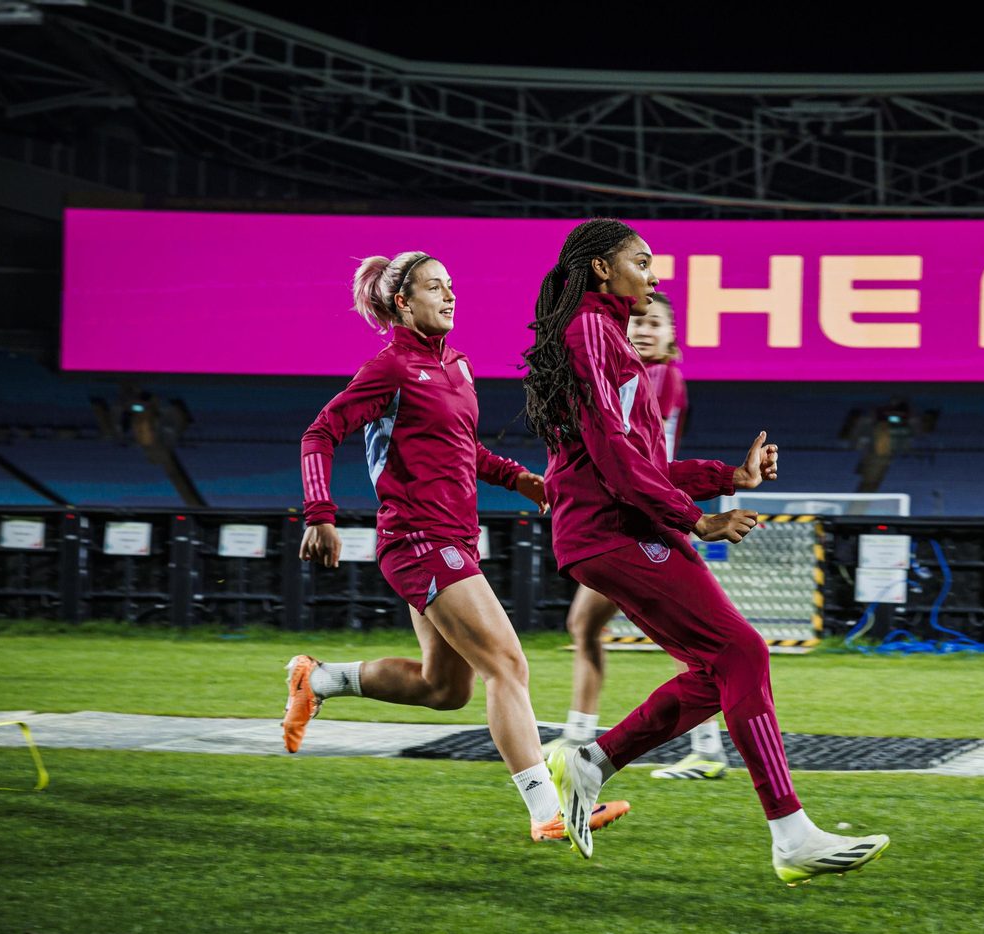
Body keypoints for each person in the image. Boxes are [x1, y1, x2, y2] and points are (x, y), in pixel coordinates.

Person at [523, 218, 889, 882]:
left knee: (721, 668)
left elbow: (641, 463)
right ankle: (791, 835)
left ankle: (590, 763)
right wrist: (698, 521)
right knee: (742, 651)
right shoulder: (591, 333)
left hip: (622, 525)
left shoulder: (606, 336)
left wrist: (731, 479)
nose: (654, 273)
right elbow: (611, 457)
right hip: (615, 529)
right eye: (642, 260)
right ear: (602, 268)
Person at [285, 250, 627, 844]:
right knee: (508, 664)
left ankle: (318, 680)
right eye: (434, 288)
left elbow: (462, 448)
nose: (449, 297)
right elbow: (320, 433)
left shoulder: (459, 366)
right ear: (402, 302)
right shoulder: (389, 369)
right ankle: (548, 810)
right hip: (420, 542)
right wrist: (320, 514)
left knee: (445, 689)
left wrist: (517, 478)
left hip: (453, 541)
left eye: (451, 287)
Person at [557, 291, 730, 780]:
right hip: (634, 520)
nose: (645, 330)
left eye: (656, 323)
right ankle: (578, 734)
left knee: (694, 646)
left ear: (673, 337)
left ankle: (706, 750)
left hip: (646, 522)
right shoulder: (639, 372)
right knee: (584, 626)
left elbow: (625, 449)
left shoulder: (657, 375)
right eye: (638, 322)